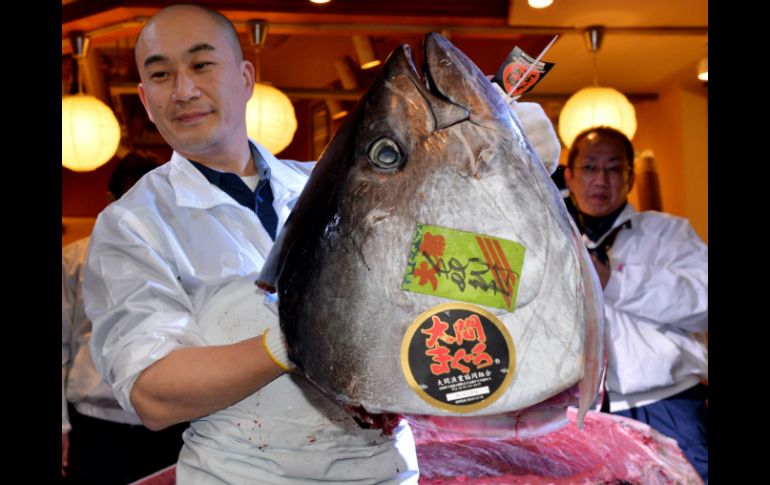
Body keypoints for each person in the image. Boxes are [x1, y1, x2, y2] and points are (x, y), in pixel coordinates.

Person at [82, 5, 563, 483]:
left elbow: (491, 284)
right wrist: (300, 337)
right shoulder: (133, 225)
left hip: (386, 473)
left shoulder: (339, 185)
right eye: (162, 74)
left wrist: (509, 181)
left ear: (246, 77)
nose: (184, 90)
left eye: (202, 64)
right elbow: (154, 395)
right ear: (144, 99)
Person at [563, 126, 708, 482]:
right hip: (579, 414)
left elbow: (703, 302)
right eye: (590, 167)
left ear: (629, 177)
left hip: (669, 404)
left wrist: (613, 280)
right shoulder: (549, 240)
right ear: (569, 174)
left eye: (614, 168)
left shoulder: (669, 233)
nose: (601, 180)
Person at [62, 152, 189, 483]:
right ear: (110, 200)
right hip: (94, 422)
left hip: (172, 419)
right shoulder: (74, 258)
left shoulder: (188, 259)